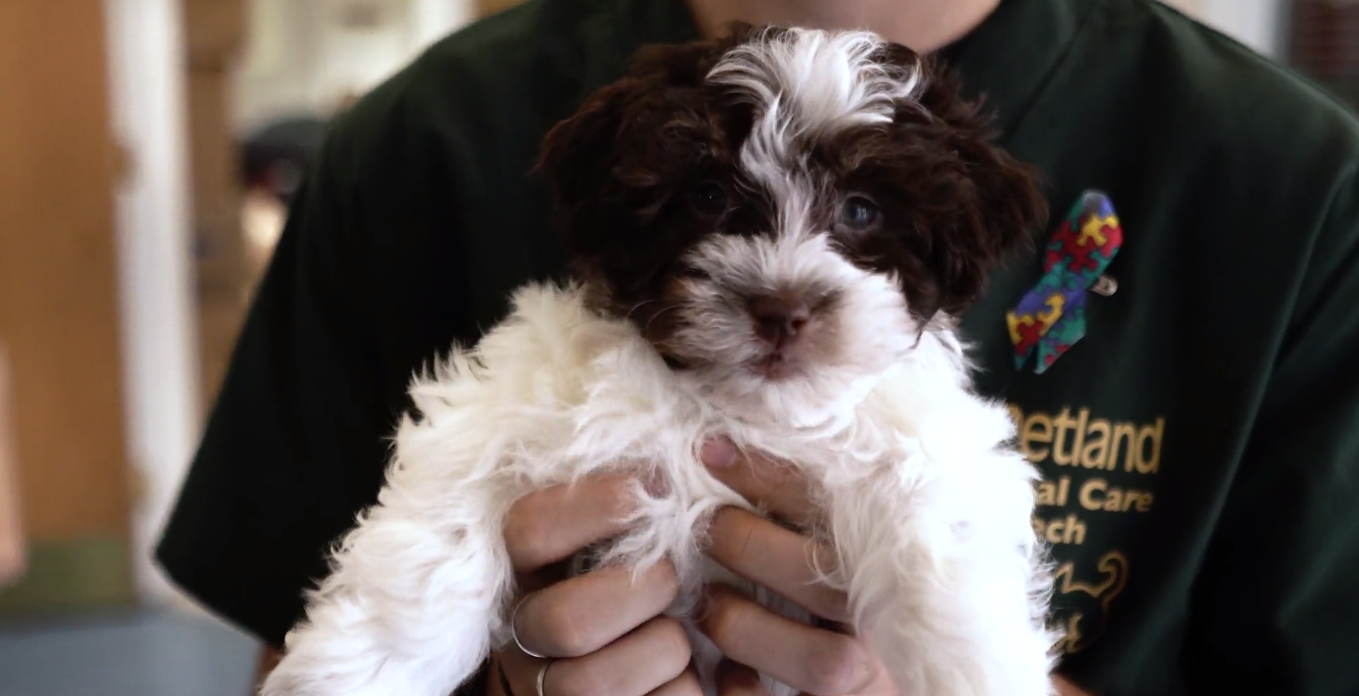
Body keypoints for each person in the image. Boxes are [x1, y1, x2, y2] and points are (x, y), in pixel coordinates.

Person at [155, 0, 1359, 695]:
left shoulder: (1301, 189)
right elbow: (314, 655)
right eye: (719, 214)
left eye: (861, 221)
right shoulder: (422, 141)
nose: (786, 284)